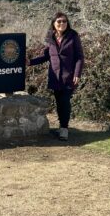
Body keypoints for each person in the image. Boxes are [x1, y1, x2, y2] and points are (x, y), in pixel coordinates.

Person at [27, 12, 84, 141]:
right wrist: (29, 62)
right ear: (54, 23)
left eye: (64, 21)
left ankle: (64, 129)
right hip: (55, 76)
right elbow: (46, 56)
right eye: (59, 21)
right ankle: (61, 125)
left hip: (68, 76)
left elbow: (80, 57)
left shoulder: (73, 36)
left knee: (65, 101)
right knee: (59, 102)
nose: (62, 23)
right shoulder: (50, 38)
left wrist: (77, 73)